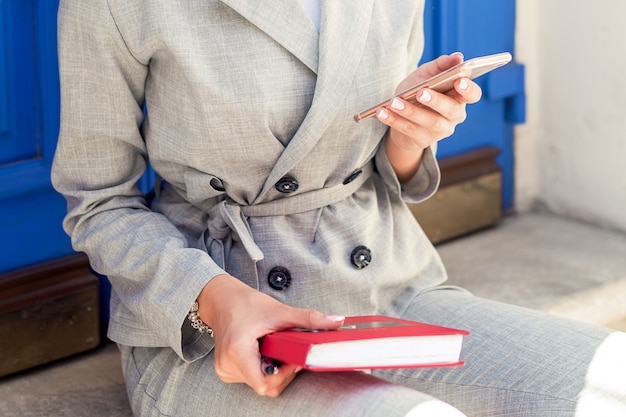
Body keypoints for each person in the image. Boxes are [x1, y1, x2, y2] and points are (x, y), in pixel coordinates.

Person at [52, 0, 626, 416]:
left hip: (388, 292)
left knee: (612, 380)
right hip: (220, 325)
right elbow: (100, 203)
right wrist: (216, 300)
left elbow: (376, 166)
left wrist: (410, 135)